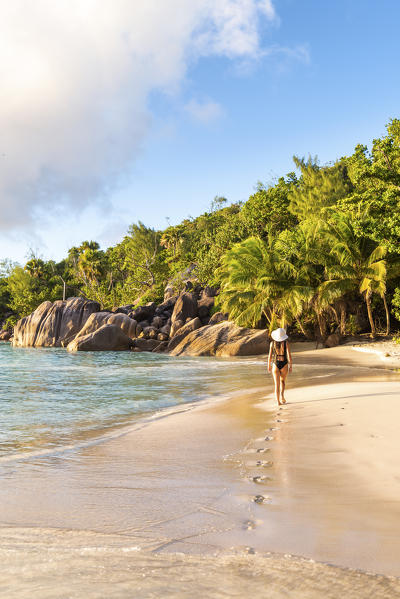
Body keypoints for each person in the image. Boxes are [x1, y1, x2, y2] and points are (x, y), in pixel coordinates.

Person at [267, 328, 292, 405]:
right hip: (284, 363)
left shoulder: (272, 343)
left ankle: (278, 402)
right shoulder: (286, 343)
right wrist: (291, 365)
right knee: (282, 381)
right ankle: (282, 397)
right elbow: (289, 355)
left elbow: (270, 356)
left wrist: (269, 365)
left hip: (275, 364)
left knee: (276, 384)